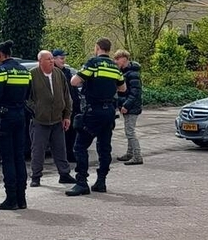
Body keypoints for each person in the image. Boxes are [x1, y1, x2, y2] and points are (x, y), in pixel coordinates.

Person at [67, 38, 127, 196]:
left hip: (93, 111)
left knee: (80, 146)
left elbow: (74, 81)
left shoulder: (93, 63)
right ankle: (101, 181)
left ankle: (81, 182)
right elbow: (123, 88)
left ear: (98, 47)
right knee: (104, 147)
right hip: (109, 112)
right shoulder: (115, 67)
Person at [0, 41, 32, 210]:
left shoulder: (1, 71)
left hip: (4, 117)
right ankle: (22, 198)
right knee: (19, 157)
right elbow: (28, 93)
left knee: (7, 158)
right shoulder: (24, 70)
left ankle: (11, 199)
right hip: (20, 115)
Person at [27, 50, 74, 187]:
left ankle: (64, 174)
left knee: (60, 148)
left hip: (57, 119)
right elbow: (27, 98)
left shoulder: (59, 74)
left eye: (52, 59)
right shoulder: (32, 75)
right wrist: (36, 110)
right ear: (40, 61)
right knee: (38, 150)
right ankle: (36, 176)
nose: (51, 61)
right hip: (40, 120)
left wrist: (67, 115)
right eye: (48, 59)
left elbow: (67, 96)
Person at [114, 49, 143, 165]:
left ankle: (137, 155)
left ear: (124, 59)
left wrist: (126, 105)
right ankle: (130, 153)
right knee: (128, 130)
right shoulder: (125, 72)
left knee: (130, 132)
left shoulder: (132, 74)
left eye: (117, 59)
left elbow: (135, 93)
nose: (115, 61)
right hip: (128, 106)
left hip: (131, 107)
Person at [54, 49, 81, 160]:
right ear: (54, 59)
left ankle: (70, 154)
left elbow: (73, 89)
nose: (64, 60)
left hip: (72, 106)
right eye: (61, 58)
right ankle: (62, 156)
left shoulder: (67, 72)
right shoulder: (53, 72)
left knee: (72, 132)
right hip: (61, 108)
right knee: (62, 134)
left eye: (64, 57)